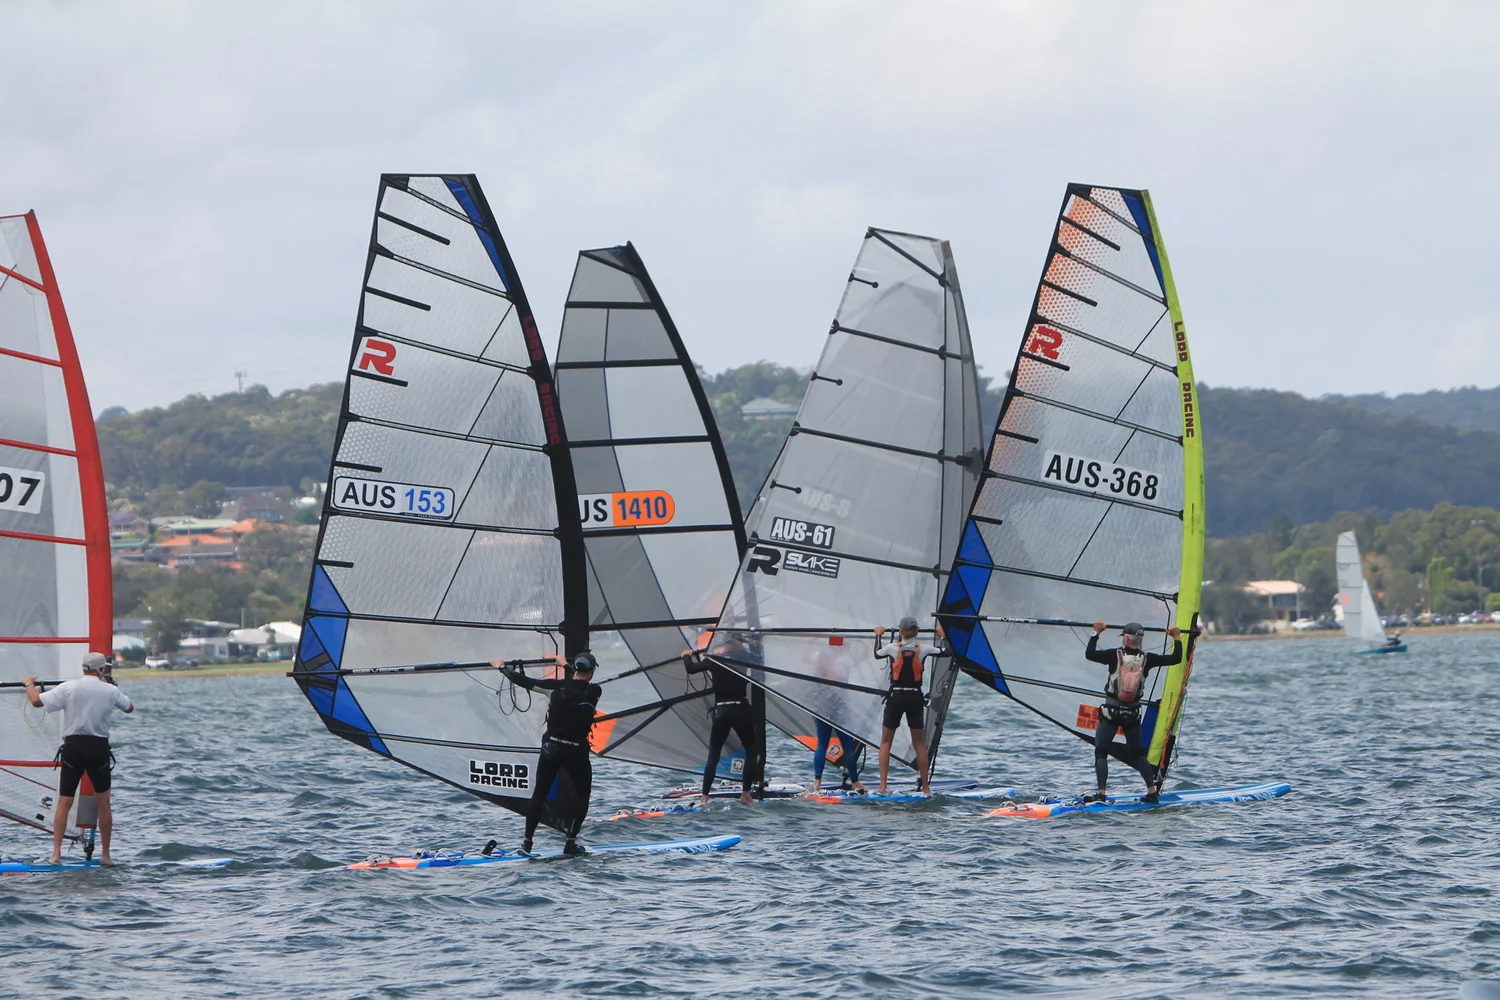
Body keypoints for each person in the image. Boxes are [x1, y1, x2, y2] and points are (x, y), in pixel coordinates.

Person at [22, 652, 134, 865]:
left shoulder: (68, 687)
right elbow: (129, 707)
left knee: (65, 801)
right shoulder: (110, 690)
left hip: (73, 747)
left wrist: (29, 683)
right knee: (103, 802)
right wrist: (108, 685)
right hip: (98, 748)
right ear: (101, 670)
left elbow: (36, 701)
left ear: (84, 668)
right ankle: (106, 856)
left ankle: (56, 854)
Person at [493, 651, 601, 856]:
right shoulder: (595, 691)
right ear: (592, 672)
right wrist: (565, 666)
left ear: (575, 669)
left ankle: (527, 844)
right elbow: (578, 685)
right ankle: (570, 843)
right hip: (576, 752)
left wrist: (501, 668)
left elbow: (524, 681)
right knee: (582, 797)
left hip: (552, 748)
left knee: (539, 794)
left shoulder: (554, 688)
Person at [1082, 621, 1190, 804]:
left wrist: (1096, 632)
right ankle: (1152, 792)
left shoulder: (1114, 655)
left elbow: (1090, 654)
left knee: (1101, 751)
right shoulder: (1148, 659)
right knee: (1137, 753)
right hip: (1132, 714)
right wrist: (1177, 637)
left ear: (1126, 638)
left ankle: (1101, 794)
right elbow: (1175, 659)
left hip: (1111, 712)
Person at [682, 632, 764, 806]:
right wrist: (756, 643)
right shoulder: (744, 658)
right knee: (751, 752)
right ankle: (745, 795)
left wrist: (686, 656)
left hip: (721, 712)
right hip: (740, 710)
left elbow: (691, 669)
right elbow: (758, 659)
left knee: (714, 753)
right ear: (735, 644)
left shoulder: (715, 659)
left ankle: (704, 796)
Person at [872, 616, 945, 795]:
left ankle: (882, 786)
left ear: (900, 632)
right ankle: (926, 788)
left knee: (885, 742)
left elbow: (877, 654)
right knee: (919, 743)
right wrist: (942, 636)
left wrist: (878, 635)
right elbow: (946, 652)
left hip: (896, 698)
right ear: (916, 632)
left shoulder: (892, 648)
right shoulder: (924, 648)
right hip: (914, 698)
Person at [812, 719, 866, 793]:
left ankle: (817, 782)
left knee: (821, 745)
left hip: (822, 712)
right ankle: (855, 782)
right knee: (848, 749)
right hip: (840, 714)